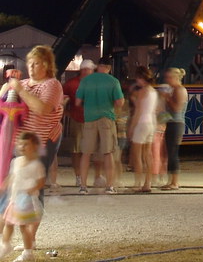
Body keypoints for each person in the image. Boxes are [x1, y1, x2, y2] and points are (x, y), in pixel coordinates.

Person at [8, 48, 63, 194]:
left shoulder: (52, 85)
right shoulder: (23, 84)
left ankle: (32, 214)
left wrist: (20, 91)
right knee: (16, 181)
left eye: (36, 63)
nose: (31, 67)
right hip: (20, 141)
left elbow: (42, 109)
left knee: (33, 183)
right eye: (29, 63)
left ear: (46, 65)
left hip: (42, 141)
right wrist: (8, 88)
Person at [76, 58, 124, 195]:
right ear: (109, 67)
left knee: (86, 153)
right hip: (106, 118)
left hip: (89, 119)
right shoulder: (113, 81)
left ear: (98, 67)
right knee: (108, 152)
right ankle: (109, 186)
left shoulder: (86, 80)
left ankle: (83, 187)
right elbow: (120, 102)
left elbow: (78, 102)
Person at [0, 131, 45, 262]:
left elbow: (41, 181)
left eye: (26, 144)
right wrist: (5, 184)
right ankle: (5, 245)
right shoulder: (16, 161)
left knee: (23, 226)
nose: (22, 147)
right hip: (15, 199)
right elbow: (13, 175)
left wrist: (32, 189)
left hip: (26, 200)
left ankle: (28, 253)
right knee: (8, 222)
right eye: (20, 144)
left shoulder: (36, 165)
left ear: (34, 147)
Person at [61, 59, 95, 189]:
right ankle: (78, 176)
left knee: (88, 150)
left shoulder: (94, 83)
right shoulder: (72, 84)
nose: (90, 72)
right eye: (89, 70)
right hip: (78, 120)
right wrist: (67, 113)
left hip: (92, 120)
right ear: (84, 70)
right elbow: (62, 99)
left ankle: (86, 176)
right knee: (76, 150)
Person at [128, 67, 158, 192]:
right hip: (151, 123)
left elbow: (138, 111)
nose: (137, 81)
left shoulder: (142, 91)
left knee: (137, 155)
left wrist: (131, 127)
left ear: (141, 78)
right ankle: (147, 183)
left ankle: (138, 183)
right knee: (148, 155)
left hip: (141, 123)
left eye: (138, 78)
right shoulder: (153, 91)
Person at [159, 68, 188, 190]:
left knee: (173, 152)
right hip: (171, 122)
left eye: (169, 77)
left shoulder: (180, 90)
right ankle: (171, 180)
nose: (167, 80)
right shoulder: (173, 90)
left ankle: (175, 181)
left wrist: (167, 97)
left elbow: (177, 108)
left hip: (177, 123)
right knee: (168, 152)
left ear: (176, 78)